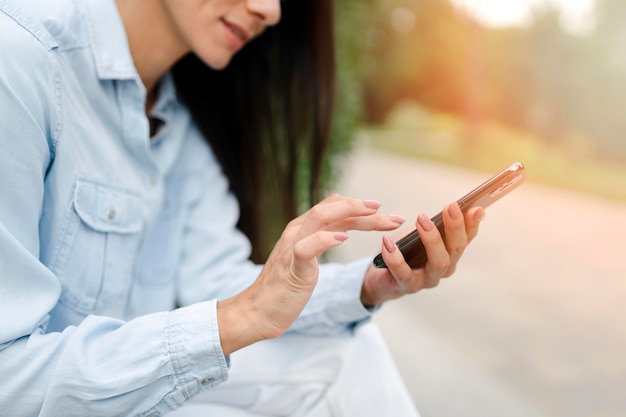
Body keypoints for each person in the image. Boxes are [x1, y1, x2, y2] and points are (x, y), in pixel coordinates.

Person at [0, 0, 485, 416]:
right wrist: (239, 316)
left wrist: (370, 284)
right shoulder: (21, 60)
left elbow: (212, 281)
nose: (270, 11)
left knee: (345, 354)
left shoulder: (178, 119)